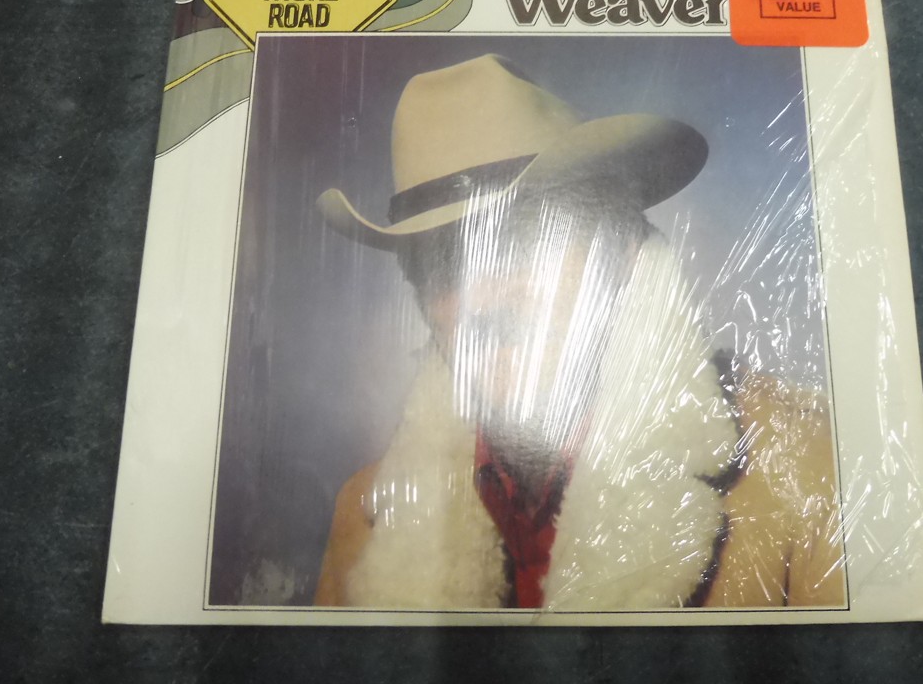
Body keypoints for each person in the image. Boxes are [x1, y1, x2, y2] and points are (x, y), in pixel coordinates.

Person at [312, 54, 844, 610]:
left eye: (526, 240)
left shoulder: (806, 472)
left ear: (622, 248)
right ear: (420, 298)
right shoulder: (363, 522)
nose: (485, 298)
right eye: (445, 261)